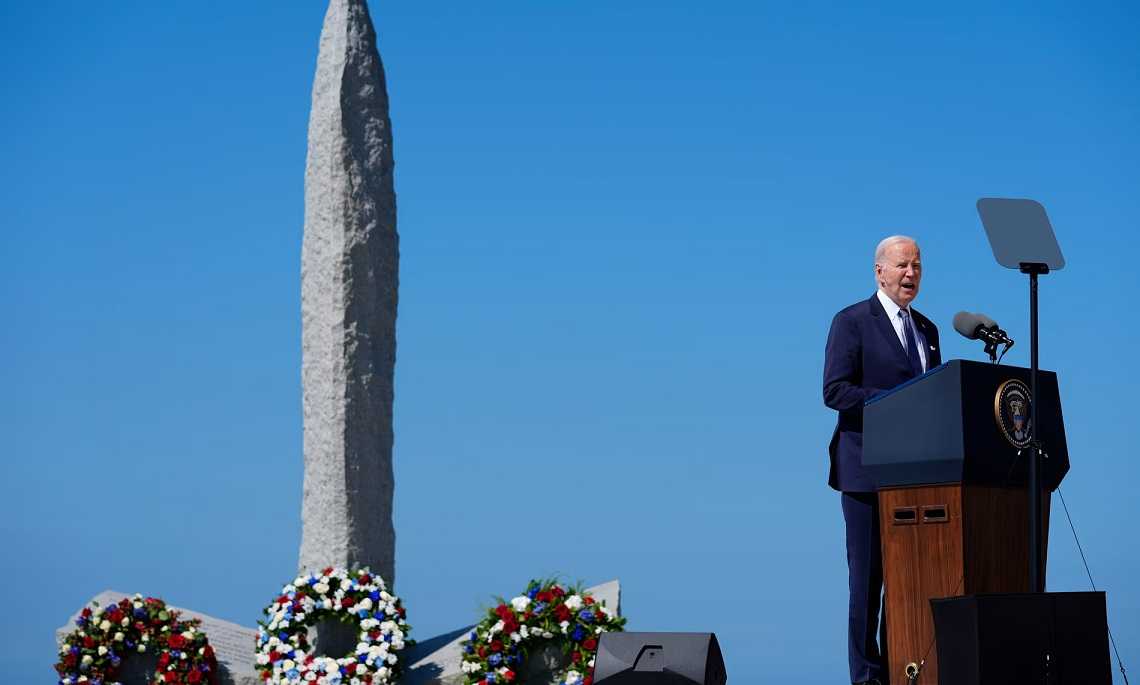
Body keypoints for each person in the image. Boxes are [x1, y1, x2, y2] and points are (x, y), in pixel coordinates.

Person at [823, 235, 941, 685]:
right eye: (901, 266)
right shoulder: (852, 321)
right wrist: (895, 402)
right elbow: (835, 391)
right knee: (867, 586)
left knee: (907, 585)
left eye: (917, 265)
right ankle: (866, 678)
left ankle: (900, 670)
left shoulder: (928, 330)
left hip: (917, 477)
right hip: (865, 472)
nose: (910, 273)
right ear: (879, 271)